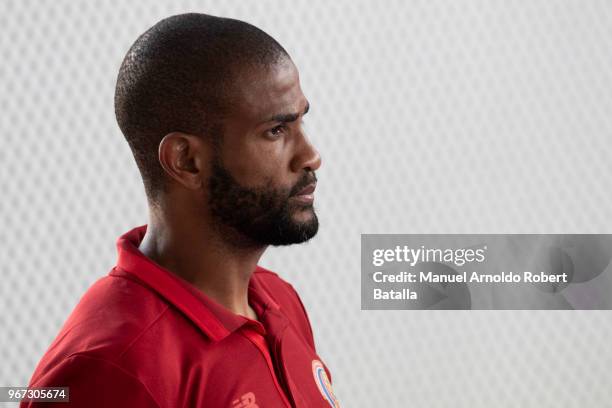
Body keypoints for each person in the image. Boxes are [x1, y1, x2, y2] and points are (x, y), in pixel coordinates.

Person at [23, 13, 339, 408]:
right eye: (276, 131)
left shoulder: (279, 300)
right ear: (186, 160)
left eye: (301, 122)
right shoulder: (111, 367)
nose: (311, 156)